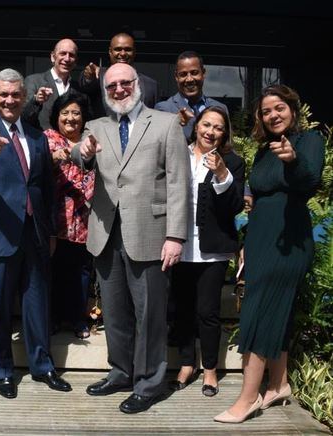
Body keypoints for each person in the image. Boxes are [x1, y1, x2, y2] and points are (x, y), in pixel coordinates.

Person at [71, 63, 189, 414]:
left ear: (137, 85)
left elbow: (178, 184)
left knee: (149, 314)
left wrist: (175, 236)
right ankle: (121, 372)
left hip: (151, 234)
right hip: (107, 233)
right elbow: (80, 154)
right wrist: (84, 153)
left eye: (125, 83)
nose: (119, 90)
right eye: (112, 86)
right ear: (105, 92)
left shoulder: (166, 124)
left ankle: (150, 383)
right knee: (115, 313)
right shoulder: (96, 126)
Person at [0, 68, 72, 399]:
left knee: (37, 303)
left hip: (34, 232)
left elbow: (45, 187)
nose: (9, 100)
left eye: (15, 95)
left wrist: (49, 229)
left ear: (23, 98)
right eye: (3, 95)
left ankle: (43, 366)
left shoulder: (37, 135)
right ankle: (3, 371)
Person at [214, 85, 325, 423]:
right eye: (266, 111)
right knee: (276, 310)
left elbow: (310, 178)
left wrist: (292, 160)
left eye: (279, 108)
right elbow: (258, 201)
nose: (273, 115)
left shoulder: (309, 141)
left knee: (258, 312)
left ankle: (248, 399)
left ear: (292, 108)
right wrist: (246, 244)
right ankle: (278, 385)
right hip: (261, 238)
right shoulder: (263, 151)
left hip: (289, 238)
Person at [169, 106, 245, 397]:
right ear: (196, 125)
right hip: (179, 245)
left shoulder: (233, 162)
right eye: (206, 125)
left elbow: (235, 205)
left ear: (224, 134)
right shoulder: (178, 154)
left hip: (212, 250)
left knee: (208, 312)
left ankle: (210, 370)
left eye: (217, 127)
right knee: (182, 310)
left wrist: (222, 174)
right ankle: (187, 364)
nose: (210, 132)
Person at [43, 93, 95, 339]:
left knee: (81, 271)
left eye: (76, 113)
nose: (71, 118)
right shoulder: (48, 139)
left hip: (85, 220)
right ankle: (53, 318)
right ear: (56, 117)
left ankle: (78, 319)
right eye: (65, 113)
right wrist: (55, 158)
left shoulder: (91, 140)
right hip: (55, 220)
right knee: (54, 270)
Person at [80, 32, 158, 118]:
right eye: (118, 49)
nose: (123, 53)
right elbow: (86, 86)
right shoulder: (98, 75)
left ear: (134, 52)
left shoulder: (151, 85)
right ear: (110, 51)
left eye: (128, 49)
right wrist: (89, 77)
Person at [154, 51, 228, 140]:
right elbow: (159, 142)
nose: (189, 79)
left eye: (194, 73)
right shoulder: (164, 109)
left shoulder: (220, 108)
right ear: (176, 77)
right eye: (183, 74)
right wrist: (175, 122)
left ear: (203, 73)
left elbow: (226, 146)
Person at [23, 38, 84, 130]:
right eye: (63, 53)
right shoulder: (33, 81)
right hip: (43, 141)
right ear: (53, 57)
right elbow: (23, 116)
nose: (67, 59)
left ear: (75, 61)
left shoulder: (78, 88)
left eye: (71, 55)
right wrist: (36, 101)